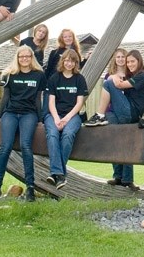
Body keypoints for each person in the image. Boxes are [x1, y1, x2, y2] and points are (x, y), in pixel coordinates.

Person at [84, 49, 144, 191]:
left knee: (108, 83)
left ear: (139, 61)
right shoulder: (130, 75)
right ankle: (120, 178)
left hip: (130, 113)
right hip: (117, 112)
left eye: (132, 61)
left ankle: (99, 115)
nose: (129, 63)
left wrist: (114, 79)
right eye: (128, 62)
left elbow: (119, 85)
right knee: (116, 140)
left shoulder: (142, 76)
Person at [0, 46, 45, 204]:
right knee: (5, 146)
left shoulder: (39, 75)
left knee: (25, 146)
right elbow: (5, 97)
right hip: (11, 113)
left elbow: (38, 99)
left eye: (27, 56)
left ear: (31, 57)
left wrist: (40, 119)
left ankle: (30, 188)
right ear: (17, 58)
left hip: (29, 114)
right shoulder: (9, 74)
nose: (24, 59)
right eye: (21, 57)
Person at [44, 48, 89, 189]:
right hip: (54, 115)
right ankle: (61, 175)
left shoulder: (79, 79)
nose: (69, 64)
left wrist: (67, 118)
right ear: (63, 61)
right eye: (67, 60)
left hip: (73, 116)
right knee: (52, 135)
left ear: (76, 63)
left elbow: (79, 103)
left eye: (73, 61)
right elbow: (51, 102)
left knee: (68, 134)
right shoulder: (54, 78)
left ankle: (55, 174)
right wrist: (57, 119)